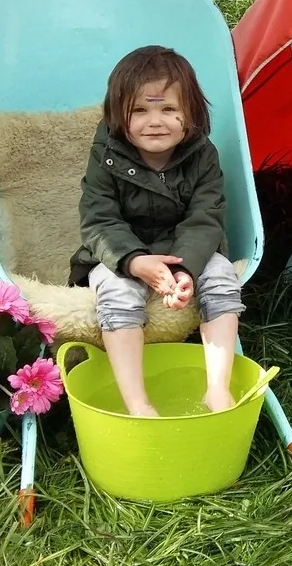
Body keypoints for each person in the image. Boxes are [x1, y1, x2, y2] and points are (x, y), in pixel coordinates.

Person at [71, 47, 243, 417]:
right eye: (140, 110)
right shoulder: (106, 154)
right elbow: (98, 218)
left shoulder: (203, 155)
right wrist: (133, 262)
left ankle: (217, 389)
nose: (155, 121)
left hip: (184, 250)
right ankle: (138, 403)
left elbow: (205, 217)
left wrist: (187, 271)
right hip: (121, 252)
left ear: (190, 115)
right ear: (119, 116)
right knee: (115, 292)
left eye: (168, 109)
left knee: (223, 275)